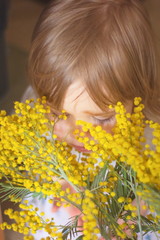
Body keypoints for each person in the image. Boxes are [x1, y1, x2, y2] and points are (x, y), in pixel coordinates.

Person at [26, 0, 160, 239]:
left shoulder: (151, 155)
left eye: (100, 119)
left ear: (141, 96)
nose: (75, 132)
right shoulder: (35, 122)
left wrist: (132, 220)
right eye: (59, 114)